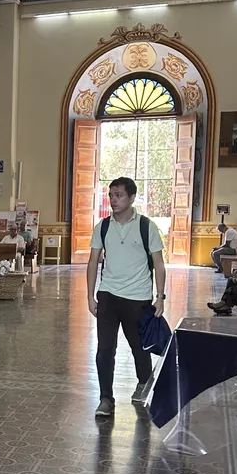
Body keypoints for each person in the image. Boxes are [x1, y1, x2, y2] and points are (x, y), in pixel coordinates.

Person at [87, 176, 166, 418]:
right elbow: (92, 262)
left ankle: (143, 383)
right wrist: (90, 296)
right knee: (105, 349)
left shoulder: (146, 226)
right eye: (111, 195)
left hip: (138, 298)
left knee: (139, 348)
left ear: (131, 198)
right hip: (108, 295)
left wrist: (160, 297)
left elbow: (159, 264)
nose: (113, 200)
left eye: (119, 195)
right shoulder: (103, 226)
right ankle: (105, 399)